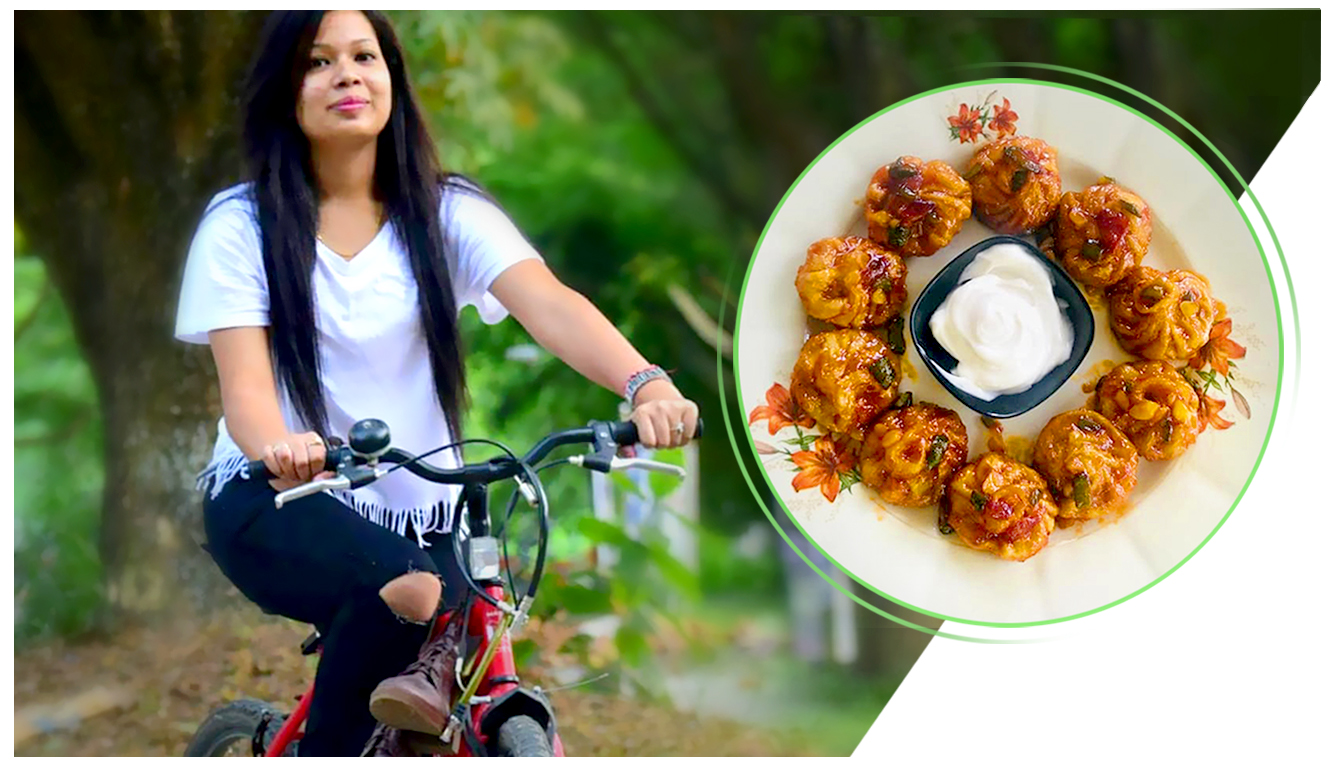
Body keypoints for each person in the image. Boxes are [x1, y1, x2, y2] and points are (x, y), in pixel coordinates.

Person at [173, 10, 699, 757]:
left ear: (392, 79)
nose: (347, 73)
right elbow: (248, 390)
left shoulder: (447, 210)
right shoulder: (241, 225)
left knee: (449, 650)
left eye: (364, 56)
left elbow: (551, 306)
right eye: (317, 62)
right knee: (413, 595)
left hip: (423, 512)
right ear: (284, 93)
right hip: (276, 494)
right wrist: (285, 448)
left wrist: (645, 385)